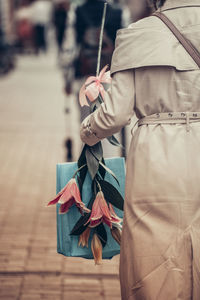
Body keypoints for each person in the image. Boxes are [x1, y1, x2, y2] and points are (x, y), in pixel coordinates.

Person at [80, 0, 200, 299]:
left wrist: (88, 131)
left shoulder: (139, 34)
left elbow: (115, 115)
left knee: (155, 251)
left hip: (157, 155)